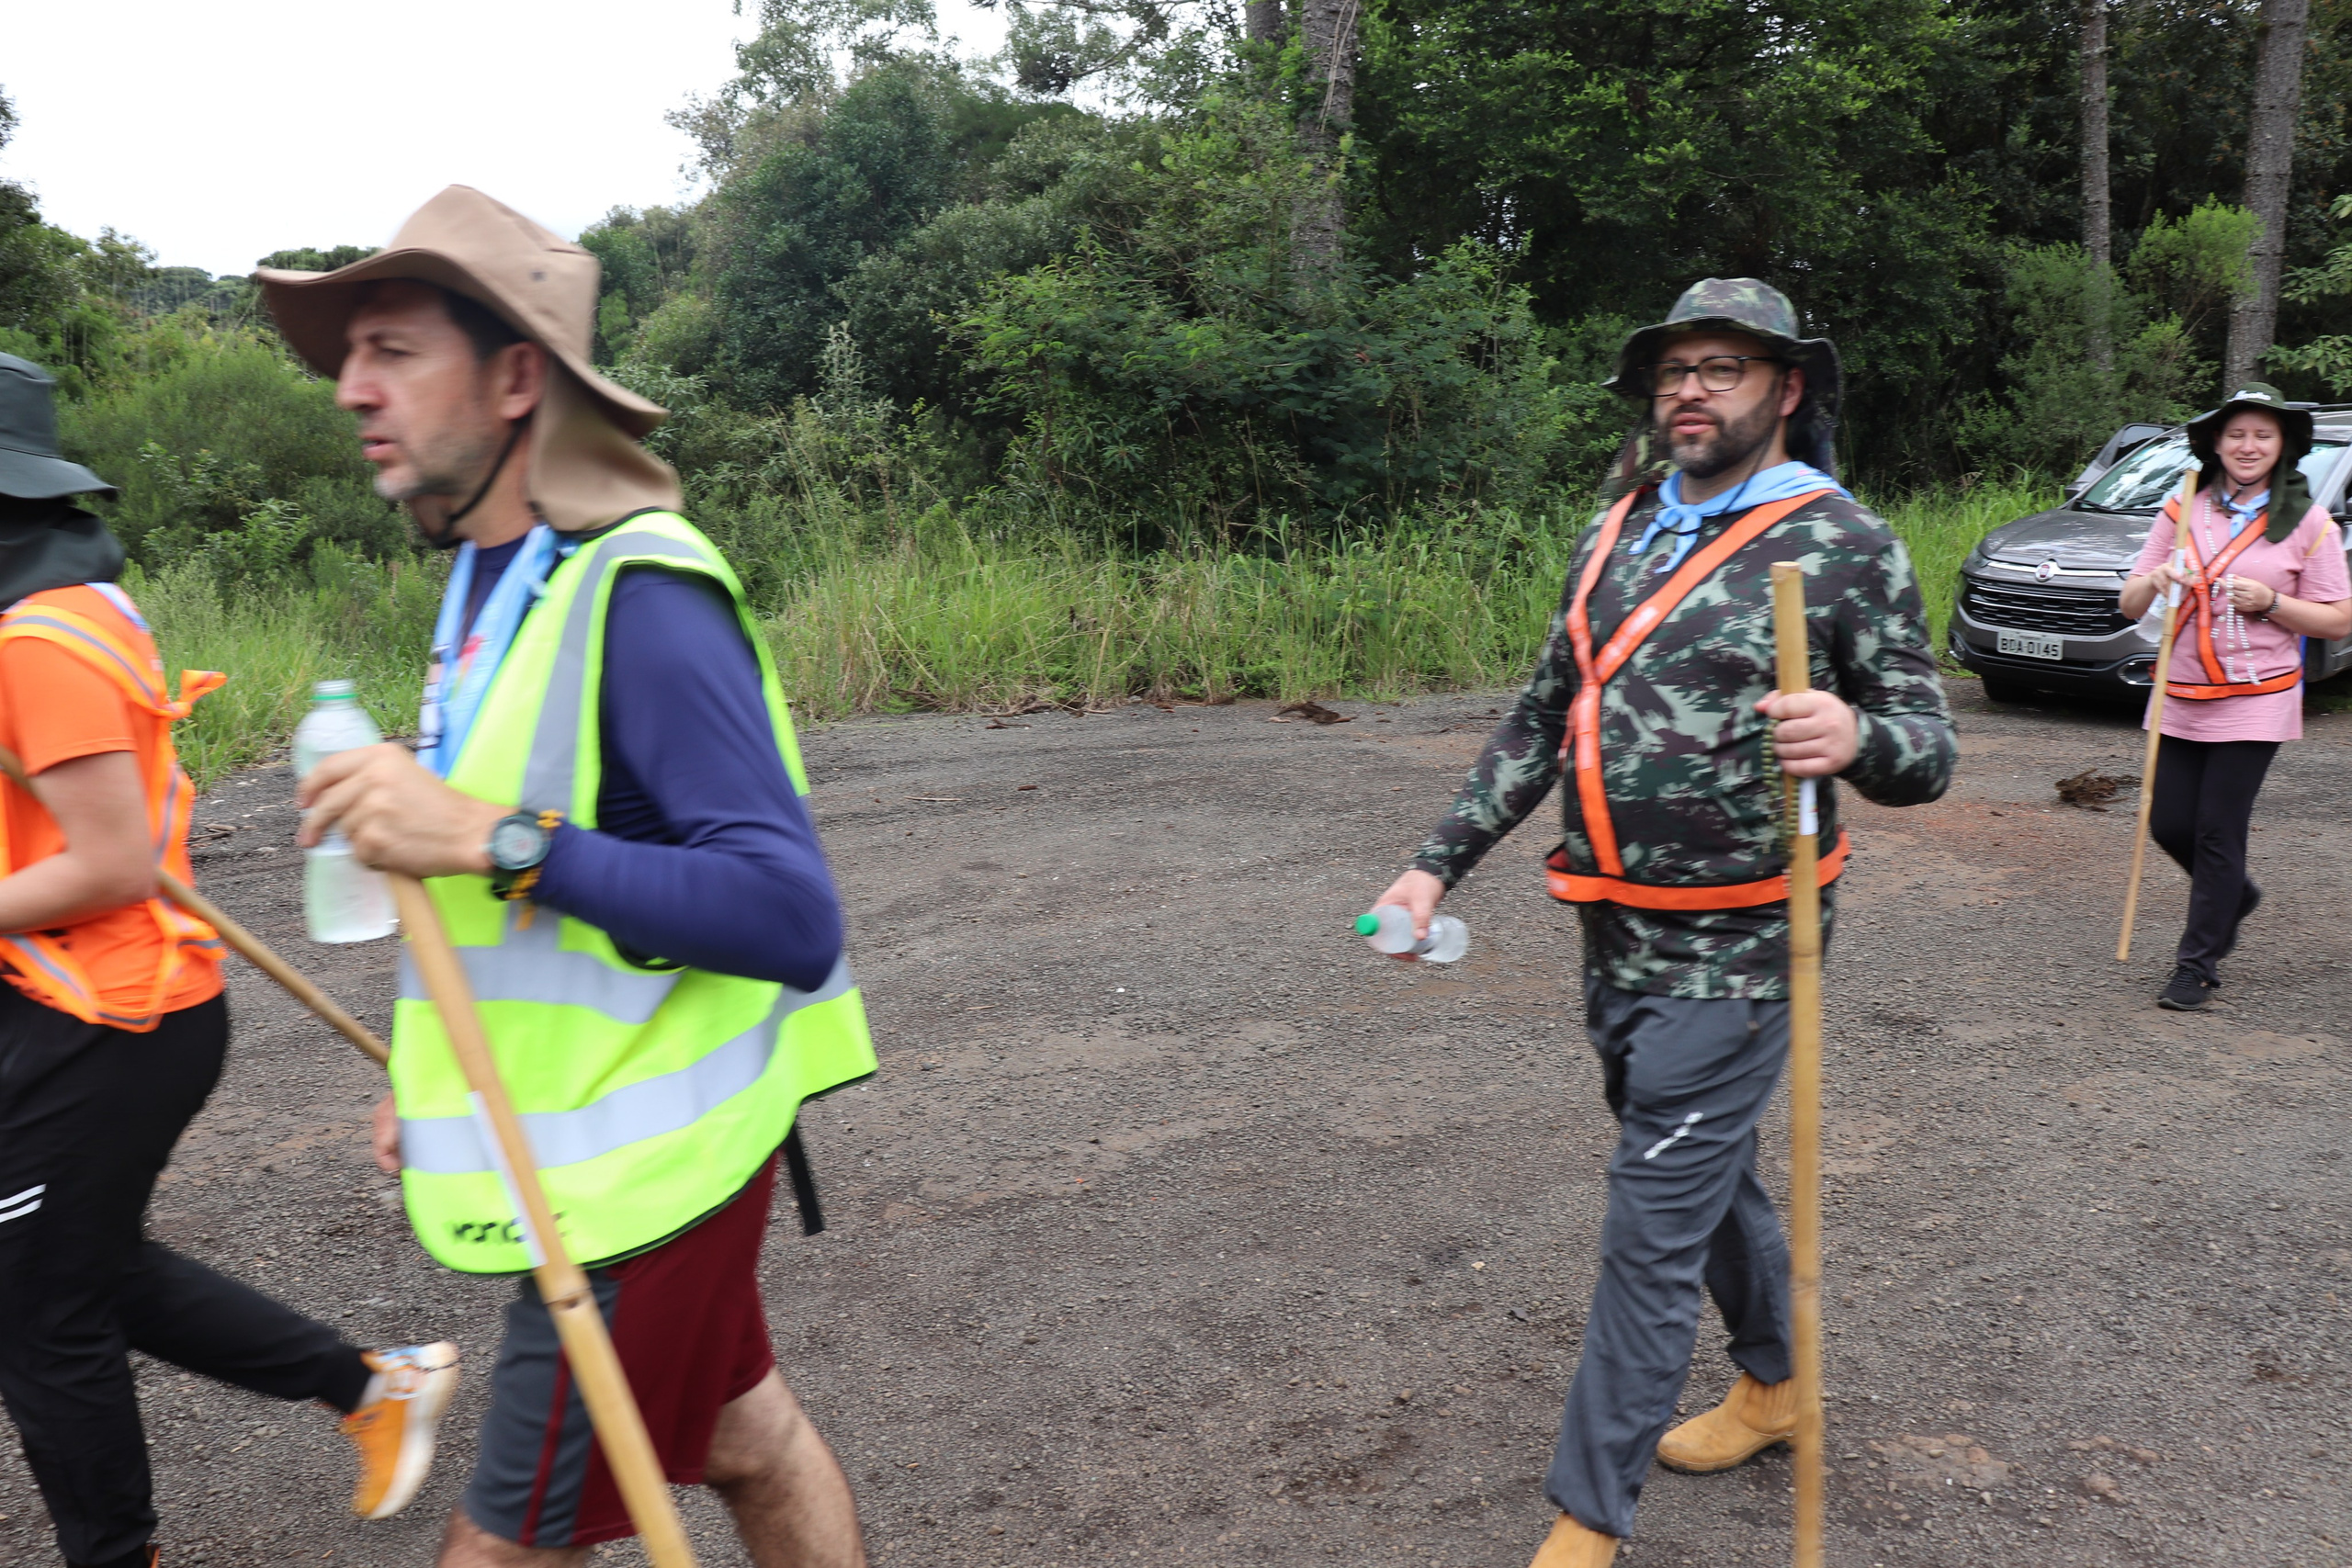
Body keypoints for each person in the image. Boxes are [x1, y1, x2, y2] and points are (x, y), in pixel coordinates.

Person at [259, 186, 880, 1568]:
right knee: (742, 1434)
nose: (353, 387)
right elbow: (503, 911)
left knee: (505, 1549)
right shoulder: (496, 583)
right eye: (349, 354)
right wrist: (430, 1071)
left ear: (519, 374)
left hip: (645, 1183)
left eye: (394, 348)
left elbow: (788, 912)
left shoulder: (642, 591)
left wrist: (490, 832)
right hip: (610, 1151)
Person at [1367, 280, 1955, 1566]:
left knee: (1648, 1223)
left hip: (1746, 947)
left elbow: (1929, 745)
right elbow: (1542, 712)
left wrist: (1860, 733)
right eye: (1678, 367)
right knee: (1700, 1166)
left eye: (1727, 367)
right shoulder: (1621, 523)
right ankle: (1778, 1381)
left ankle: (1587, 1517)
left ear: (1787, 389)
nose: (1692, 388)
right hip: (1615, 930)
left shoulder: (1842, 542)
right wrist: (1434, 867)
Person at [0, 353, 456, 1568]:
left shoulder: (39, 636)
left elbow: (106, 860)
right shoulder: (61, 597)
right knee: (76, 1266)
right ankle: (369, 1386)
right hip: (79, 997)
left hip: (109, 1010)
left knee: (42, 1311)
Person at [2117, 384, 2351, 1011]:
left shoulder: (2308, 522)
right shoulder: (2183, 503)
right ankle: (2234, 897)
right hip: (2182, 688)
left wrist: (2271, 602)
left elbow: (2338, 619)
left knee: (2218, 831)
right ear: (2215, 442)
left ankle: (2197, 966)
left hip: (2257, 695)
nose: (2249, 446)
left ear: (2283, 446)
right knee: (2168, 822)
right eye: (2237, 434)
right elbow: (2129, 600)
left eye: (2263, 435)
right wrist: (2157, 579)